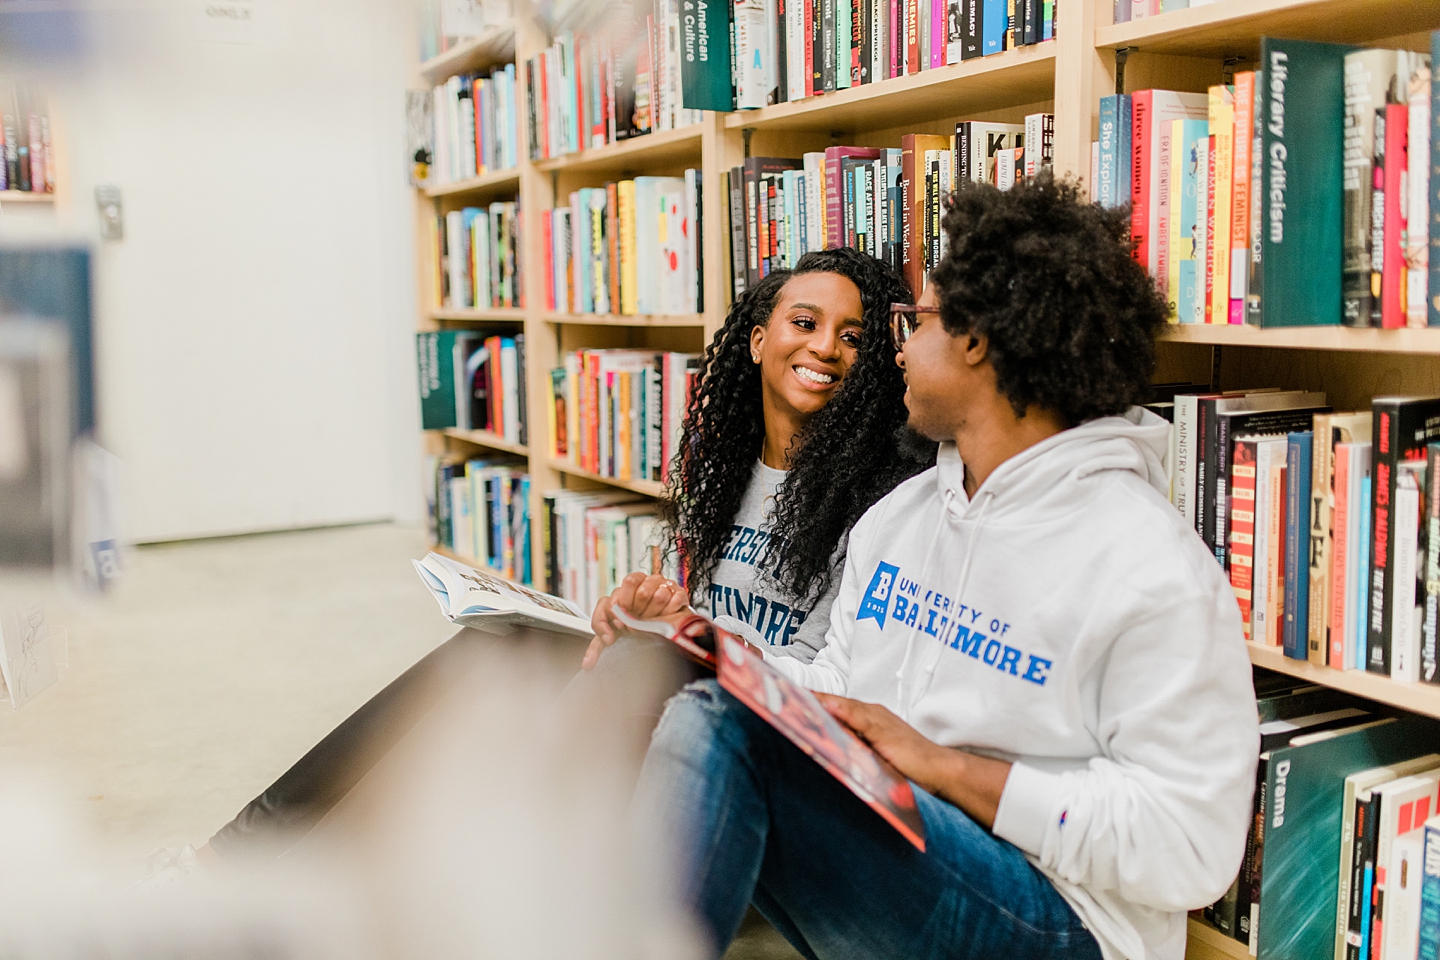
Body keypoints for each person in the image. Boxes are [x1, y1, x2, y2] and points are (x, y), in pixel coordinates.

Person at [623, 173, 1260, 960]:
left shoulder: (1150, 565)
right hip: (911, 840)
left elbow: (1191, 848)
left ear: (975, 340)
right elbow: (843, 695)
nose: (896, 350)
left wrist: (946, 768)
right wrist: (704, 646)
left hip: (1067, 919)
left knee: (719, 732)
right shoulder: (903, 517)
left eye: (913, 322)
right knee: (663, 695)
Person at [162, 247, 929, 871]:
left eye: (854, 336)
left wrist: (686, 643)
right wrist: (648, 613)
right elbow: (704, 609)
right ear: (759, 339)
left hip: (747, 724)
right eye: (805, 321)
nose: (827, 346)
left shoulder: (878, 501)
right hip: (680, 674)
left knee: (533, 713)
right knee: (498, 643)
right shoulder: (722, 467)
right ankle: (234, 858)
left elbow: (827, 675)